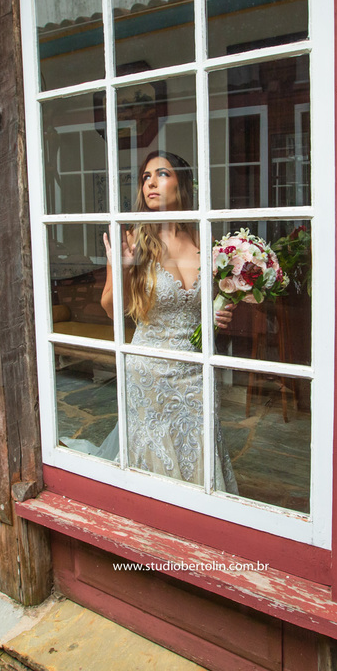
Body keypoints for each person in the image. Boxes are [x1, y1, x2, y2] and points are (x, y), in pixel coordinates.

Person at [97, 150, 238, 491]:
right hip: (149, 372)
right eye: (146, 177)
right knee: (155, 457)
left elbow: (212, 303)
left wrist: (220, 314)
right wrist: (124, 269)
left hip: (196, 370)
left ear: (182, 184)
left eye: (162, 174)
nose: (151, 184)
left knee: (199, 447)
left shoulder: (205, 240)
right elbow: (111, 309)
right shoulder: (131, 240)